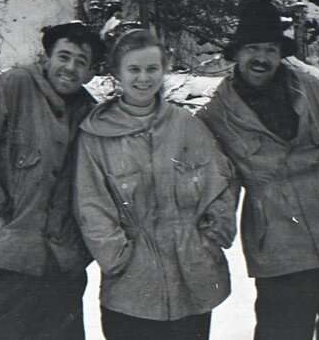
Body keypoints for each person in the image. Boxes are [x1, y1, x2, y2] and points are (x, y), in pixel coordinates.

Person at [197, 0, 319, 340]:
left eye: (270, 49)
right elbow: (216, 189)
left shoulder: (308, 88)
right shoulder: (216, 116)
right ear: (236, 53)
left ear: (281, 53)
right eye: (252, 48)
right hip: (280, 249)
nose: (261, 58)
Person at [0, 21, 105, 339]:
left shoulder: (90, 114)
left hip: (60, 270)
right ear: (47, 57)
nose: (70, 68)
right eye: (64, 56)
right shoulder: (15, 86)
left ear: (89, 73)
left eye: (80, 61)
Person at [74, 29, 237, 340]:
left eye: (152, 68)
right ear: (117, 73)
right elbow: (91, 207)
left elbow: (223, 186)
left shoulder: (188, 125)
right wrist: (120, 260)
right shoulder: (96, 135)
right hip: (131, 290)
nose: (143, 78)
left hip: (193, 282)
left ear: (164, 69)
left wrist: (210, 240)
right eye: (134, 69)